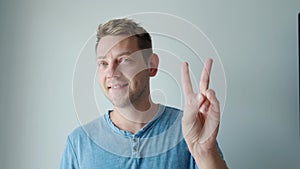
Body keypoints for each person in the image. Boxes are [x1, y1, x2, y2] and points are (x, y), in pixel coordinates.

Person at [60, 18, 228, 169]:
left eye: (124, 60)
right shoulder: (79, 143)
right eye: (103, 63)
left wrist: (205, 152)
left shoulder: (189, 129)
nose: (112, 72)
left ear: (151, 65)